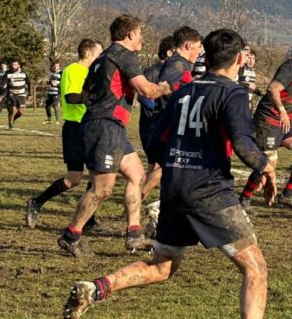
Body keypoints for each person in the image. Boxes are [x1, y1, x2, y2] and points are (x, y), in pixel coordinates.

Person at [62, 28, 274, 319]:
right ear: (239, 58)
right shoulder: (233, 93)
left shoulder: (184, 92)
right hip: (210, 192)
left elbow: (154, 142)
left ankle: (97, 287)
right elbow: (243, 143)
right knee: (255, 267)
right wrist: (266, 167)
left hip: (174, 191)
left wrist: (177, 166)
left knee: (162, 266)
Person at [57, 14, 172, 257]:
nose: (142, 38)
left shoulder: (101, 58)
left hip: (110, 126)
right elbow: (147, 91)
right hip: (105, 127)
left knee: (137, 175)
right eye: (140, 33)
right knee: (102, 189)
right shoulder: (125, 55)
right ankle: (71, 236)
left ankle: (134, 235)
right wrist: (165, 87)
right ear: (130, 34)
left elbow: (86, 93)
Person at [27, 39, 103, 229]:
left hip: (90, 127)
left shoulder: (90, 72)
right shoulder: (73, 70)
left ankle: (89, 219)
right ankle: (36, 202)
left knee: (98, 175)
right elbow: (71, 96)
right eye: (98, 53)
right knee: (74, 179)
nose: (100, 57)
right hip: (75, 129)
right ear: (87, 53)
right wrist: (95, 96)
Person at [239, 35, 292, 212]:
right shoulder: (291, 67)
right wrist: (283, 112)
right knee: (268, 164)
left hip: (286, 123)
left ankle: (288, 195)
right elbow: (272, 88)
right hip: (268, 120)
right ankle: (244, 199)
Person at [139, 27, 202, 202]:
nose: (200, 51)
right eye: (198, 47)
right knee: (169, 167)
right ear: (188, 45)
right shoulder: (176, 64)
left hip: (174, 125)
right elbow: (164, 87)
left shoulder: (184, 65)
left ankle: (141, 200)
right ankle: (137, 200)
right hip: (167, 125)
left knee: (166, 168)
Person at [0, 60, 31, 129]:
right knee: (11, 110)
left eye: (15, 65)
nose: (13, 66)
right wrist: (1, 95)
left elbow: (29, 83)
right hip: (11, 94)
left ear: (18, 65)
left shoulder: (23, 73)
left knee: (20, 112)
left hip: (21, 95)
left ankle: (13, 119)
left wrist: (29, 94)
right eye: (12, 65)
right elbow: (3, 85)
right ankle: (10, 125)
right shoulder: (7, 73)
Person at [237, 46, 263, 111]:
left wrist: (260, 93)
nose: (251, 61)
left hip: (248, 103)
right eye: (249, 58)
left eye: (253, 58)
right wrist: (247, 85)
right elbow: (233, 83)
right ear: (245, 59)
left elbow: (251, 88)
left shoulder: (253, 72)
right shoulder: (240, 70)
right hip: (239, 102)